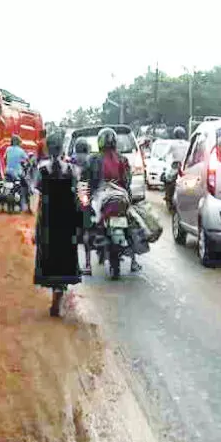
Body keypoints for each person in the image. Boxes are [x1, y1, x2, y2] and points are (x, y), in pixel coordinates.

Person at [33, 132, 82, 317]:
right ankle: (59, 295)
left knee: (50, 258)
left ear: (47, 148)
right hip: (66, 220)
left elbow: (38, 200)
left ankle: (55, 295)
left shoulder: (42, 169)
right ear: (62, 148)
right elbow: (81, 196)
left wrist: (36, 225)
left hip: (48, 220)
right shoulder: (72, 169)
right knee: (64, 258)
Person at [86, 127, 141, 272]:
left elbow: (88, 182)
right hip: (121, 198)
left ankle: (87, 264)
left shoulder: (93, 159)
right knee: (132, 224)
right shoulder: (123, 159)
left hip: (101, 197)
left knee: (88, 224)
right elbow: (127, 181)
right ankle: (134, 261)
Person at [70, 138, 94, 275]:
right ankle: (88, 265)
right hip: (85, 196)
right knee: (86, 233)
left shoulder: (71, 161)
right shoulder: (89, 161)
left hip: (74, 196)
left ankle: (76, 266)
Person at [4, 134, 31, 212]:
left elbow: (5, 158)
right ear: (18, 142)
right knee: (26, 187)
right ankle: (28, 206)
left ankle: (4, 204)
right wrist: (27, 165)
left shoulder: (8, 149)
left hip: (8, 172)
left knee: (5, 186)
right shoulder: (20, 150)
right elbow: (28, 160)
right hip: (17, 173)